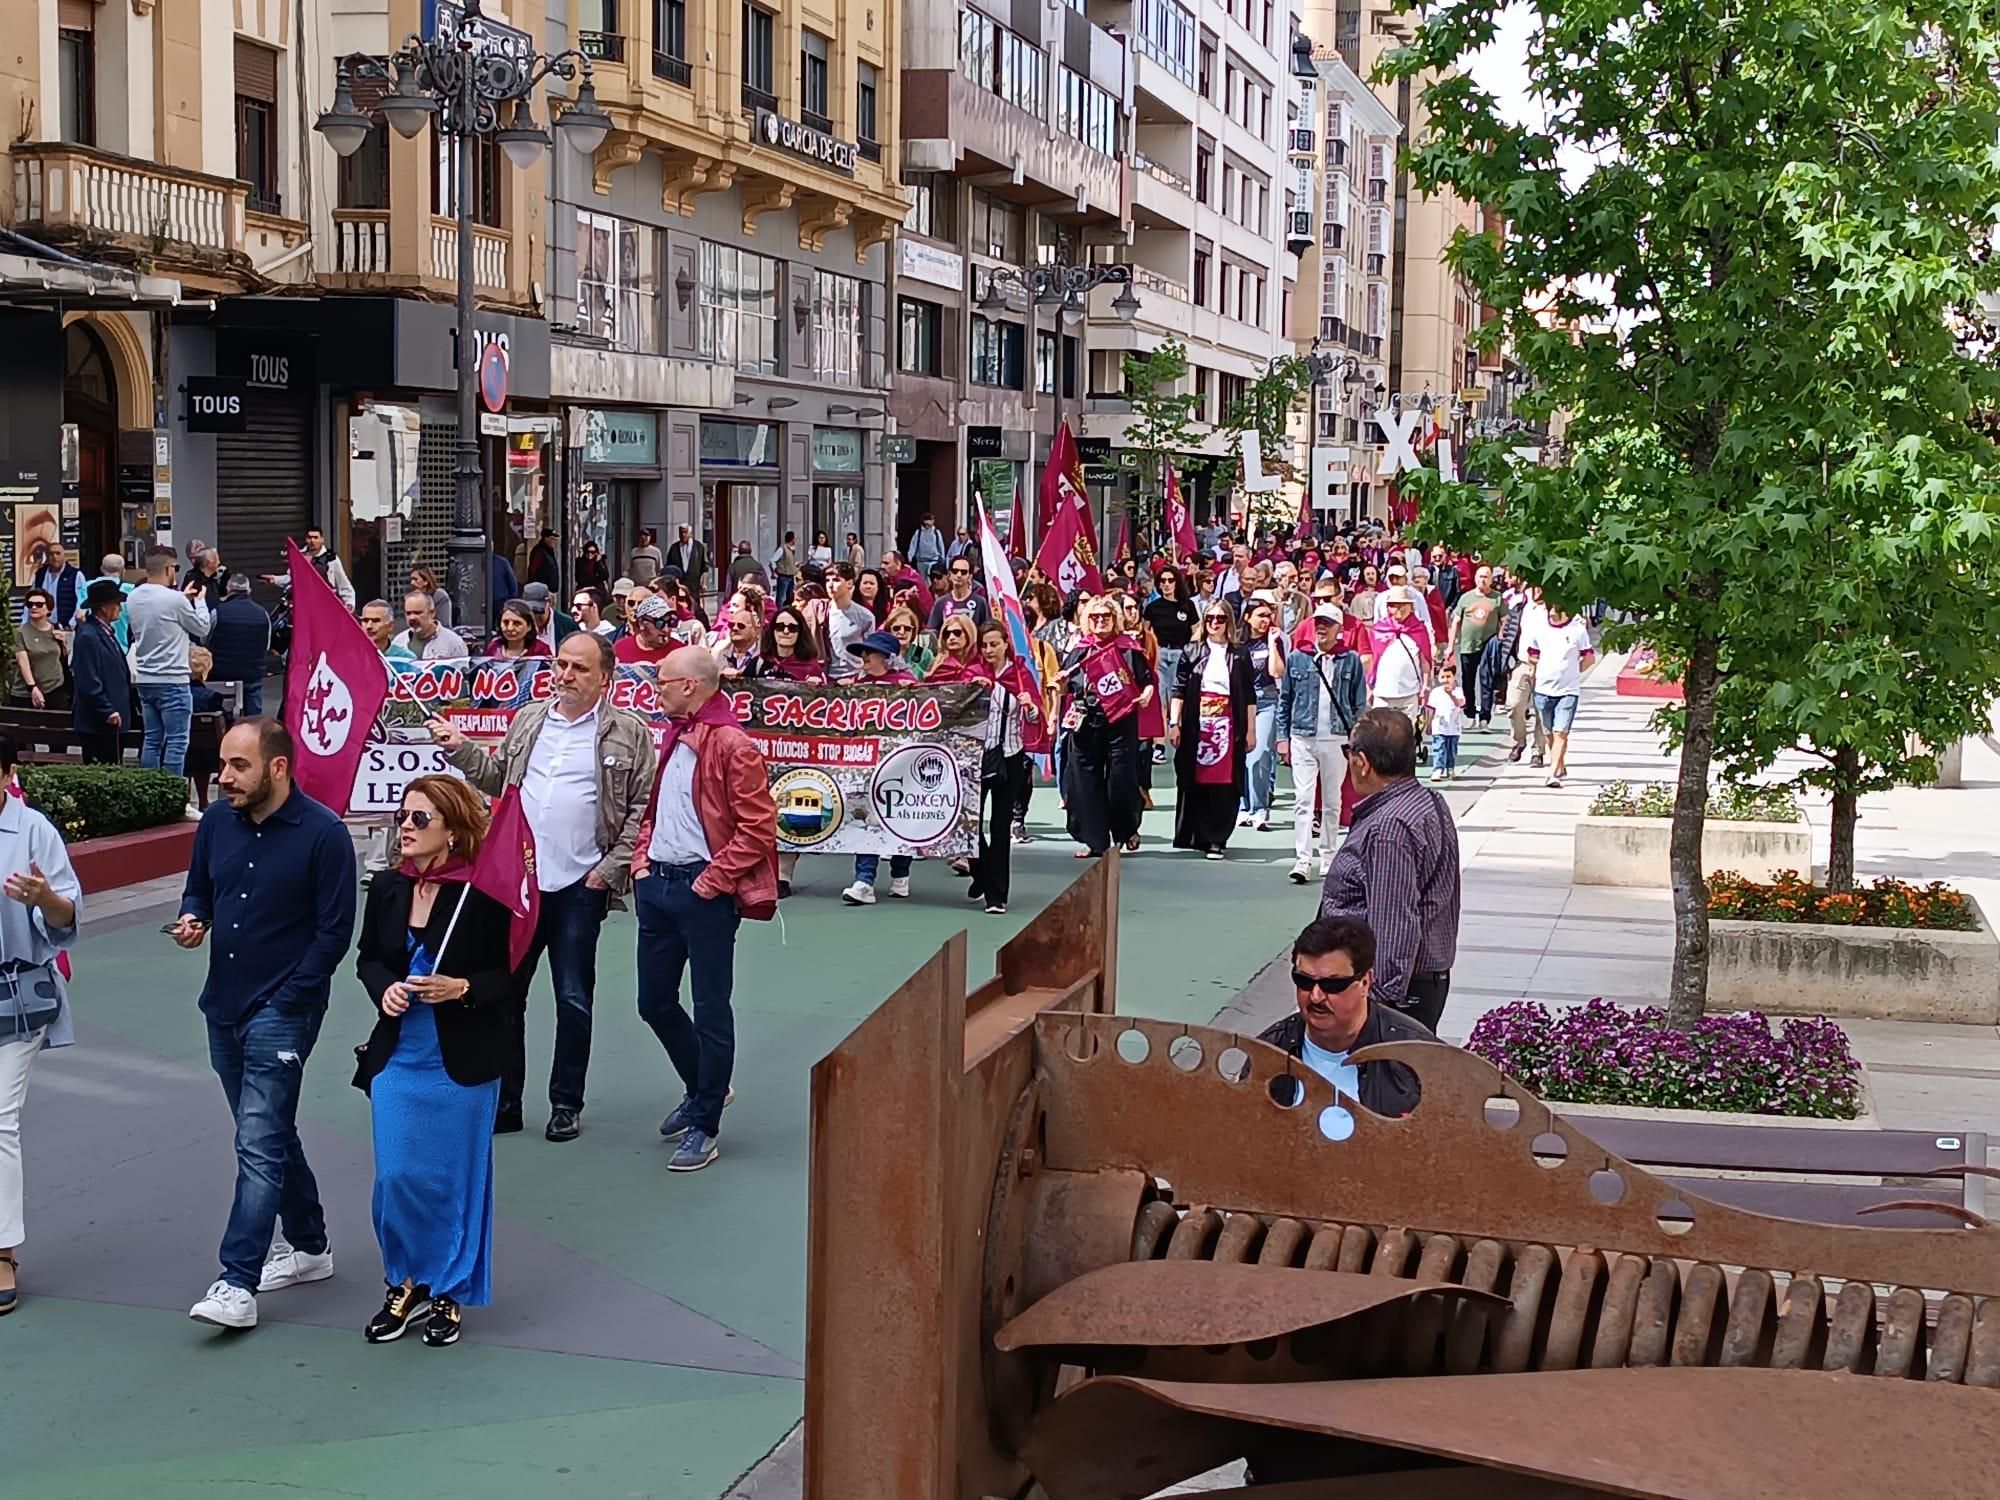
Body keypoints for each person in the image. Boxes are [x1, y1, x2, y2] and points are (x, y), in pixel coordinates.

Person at [426, 634, 654, 1142]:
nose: (566, 675)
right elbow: (496, 780)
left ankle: (565, 1102)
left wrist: (608, 871)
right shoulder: (529, 719)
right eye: (561, 664)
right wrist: (460, 749)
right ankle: (507, 1102)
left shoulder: (628, 733)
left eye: (579, 668)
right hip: (519, 881)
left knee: (573, 997)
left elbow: (641, 811)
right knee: (505, 995)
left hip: (580, 883)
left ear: (604, 678)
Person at [174, 719, 359, 1330]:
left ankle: (237, 1280)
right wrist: (193, 918)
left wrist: (292, 997)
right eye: (223, 765)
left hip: (283, 1011)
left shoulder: (324, 835)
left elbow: (334, 933)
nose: (223, 777)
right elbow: (199, 890)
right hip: (221, 1003)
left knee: (256, 1140)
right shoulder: (217, 824)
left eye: (237, 766)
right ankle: (310, 1246)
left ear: (277, 768)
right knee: (268, 1131)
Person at [352, 775, 522, 1346]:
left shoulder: (482, 891)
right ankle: (404, 1278)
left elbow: (510, 977)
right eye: (403, 816)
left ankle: (446, 1288)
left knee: (455, 1180)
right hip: (400, 1058)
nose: (406, 827)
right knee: (397, 1177)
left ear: (452, 831)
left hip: (463, 1061)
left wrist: (463, 988)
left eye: (420, 819)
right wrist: (386, 990)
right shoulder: (387, 887)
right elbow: (369, 958)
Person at [630, 647, 778, 1172]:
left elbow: (759, 827)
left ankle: (706, 1122)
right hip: (660, 888)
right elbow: (655, 809)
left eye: (664, 680)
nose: (656, 687)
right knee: (654, 1002)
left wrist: (712, 882)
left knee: (711, 1007)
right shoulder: (675, 737)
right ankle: (704, 1088)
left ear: (691, 686)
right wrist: (642, 861)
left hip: (701, 892)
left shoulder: (731, 744)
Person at [0, 732, 83, 1316]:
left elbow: (67, 916)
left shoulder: (34, 832)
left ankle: (2, 1250)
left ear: (6, 772)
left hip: (16, 997)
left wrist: (44, 897)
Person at [1319, 709, 1460, 1033]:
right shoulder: (1427, 801)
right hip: (1420, 982)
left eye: (1349, 753)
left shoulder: (1389, 829)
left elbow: (1394, 924)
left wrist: (1375, 1011)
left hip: (1391, 993)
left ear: (1363, 762)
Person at [1259, 915, 1434, 1126]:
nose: (1316, 996)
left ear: (1366, 982)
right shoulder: (1268, 1052)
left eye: (1333, 985)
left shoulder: (1416, 1058)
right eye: (1304, 981)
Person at [1277, 605, 1369, 883]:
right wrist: (1282, 737)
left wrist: (1356, 738)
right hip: (1302, 736)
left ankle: (1328, 856)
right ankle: (1302, 859)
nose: (1321, 628)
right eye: (1318, 623)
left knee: (1332, 800)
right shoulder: (1298, 658)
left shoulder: (1350, 660)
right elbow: (1286, 700)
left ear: (1339, 628)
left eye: (1327, 624)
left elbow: (1359, 703)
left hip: (1336, 738)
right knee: (1303, 799)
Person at [1060, 597, 1153, 859]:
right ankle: (1095, 840)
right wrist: (1058, 682)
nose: (1100, 621)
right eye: (1094, 617)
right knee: (1085, 780)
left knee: (1121, 780)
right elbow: (1067, 682)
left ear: (1115, 619)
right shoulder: (1080, 650)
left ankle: (1126, 830)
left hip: (1120, 719)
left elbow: (1146, 680)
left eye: (1105, 616)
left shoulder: (1127, 648)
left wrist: (1146, 695)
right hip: (1085, 719)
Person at [1170, 602, 1256, 859]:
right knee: (1195, 779)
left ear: (1228, 621)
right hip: (1198, 724)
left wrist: (1251, 730)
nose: (1215, 623)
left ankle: (1218, 837)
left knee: (1225, 783)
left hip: (1229, 725)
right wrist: (1174, 724)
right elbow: (1179, 690)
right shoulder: (1191, 651)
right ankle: (1199, 834)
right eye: (1210, 619)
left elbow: (1250, 695)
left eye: (1220, 618)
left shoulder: (1240, 654)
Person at [840, 631, 920, 903]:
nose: (863, 657)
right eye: (862, 652)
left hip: (900, 763)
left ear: (886, 658)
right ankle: (864, 881)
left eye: (869, 652)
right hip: (865, 764)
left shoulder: (907, 684)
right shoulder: (855, 684)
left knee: (901, 817)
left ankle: (901, 874)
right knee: (866, 818)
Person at [127, 545, 212, 776]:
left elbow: (161, 610)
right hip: (173, 678)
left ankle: (152, 790)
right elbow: (202, 627)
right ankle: (173, 793)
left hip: (145, 678)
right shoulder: (175, 599)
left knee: (152, 738)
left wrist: (182, 599)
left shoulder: (133, 597)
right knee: (177, 741)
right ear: (168, 568)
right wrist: (200, 602)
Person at [968, 623, 1033, 915]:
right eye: (985, 644)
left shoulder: (1019, 675)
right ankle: (982, 873)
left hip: (1010, 756)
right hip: (976, 757)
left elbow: (1035, 716)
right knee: (970, 822)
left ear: (1006, 644)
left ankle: (997, 895)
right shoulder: (973, 674)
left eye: (994, 644)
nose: (989, 650)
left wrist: (1029, 706)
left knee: (999, 826)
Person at [1527, 605, 1595, 788]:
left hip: (1568, 691)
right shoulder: (1540, 628)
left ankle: (1552, 774)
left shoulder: (1577, 630)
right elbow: (1532, 654)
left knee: (1561, 733)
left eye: (1556, 606)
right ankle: (1560, 764)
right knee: (1549, 732)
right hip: (1543, 689)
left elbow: (1589, 658)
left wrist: (1574, 671)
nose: (1552, 609)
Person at [69, 579, 129, 765]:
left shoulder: (106, 632)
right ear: (104, 608)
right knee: (101, 765)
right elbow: (88, 679)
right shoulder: (88, 635)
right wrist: (106, 709)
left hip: (112, 719)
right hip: (98, 721)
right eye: (116, 604)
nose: (120, 608)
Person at [1239, 597, 1286, 831]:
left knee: (1259, 755)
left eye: (1268, 615)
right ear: (1247, 618)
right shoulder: (1237, 644)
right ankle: (1243, 807)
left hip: (1266, 700)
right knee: (1240, 758)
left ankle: (1259, 810)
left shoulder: (1273, 642)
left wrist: (1272, 643)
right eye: (1261, 615)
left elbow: (1276, 672)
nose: (1266, 620)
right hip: (1239, 701)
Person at [206, 574, 272, 718]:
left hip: (221, 676)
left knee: (223, 716)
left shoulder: (218, 612)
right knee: (253, 720)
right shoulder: (262, 614)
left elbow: (206, 640)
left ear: (228, 589)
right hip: (252, 675)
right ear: (249, 590)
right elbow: (266, 646)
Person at [1448, 566, 1506, 729]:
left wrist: (1501, 635)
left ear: (1491, 579)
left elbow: (1506, 619)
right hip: (1468, 645)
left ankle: (1485, 717)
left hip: (1488, 645)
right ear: (1475, 578)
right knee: (1467, 681)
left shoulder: (1497, 598)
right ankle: (1470, 713)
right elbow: (1456, 622)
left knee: (1486, 681)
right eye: (1480, 576)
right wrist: (1451, 645)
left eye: (1486, 576)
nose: (1483, 580)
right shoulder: (1466, 598)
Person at [1369, 586, 1432, 723]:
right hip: (1382, 692)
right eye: (1394, 605)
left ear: (1411, 607)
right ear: (1388, 608)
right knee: (1381, 735)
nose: (1399, 609)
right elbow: (1372, 660)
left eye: (1403, 605)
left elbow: (1425, 660)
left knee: (1407, 734)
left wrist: (1425, 686)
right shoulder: (1379, 630)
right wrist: (1369, 687)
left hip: (1409, 692)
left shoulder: (1419, 629)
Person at [264, 528, 356, 611]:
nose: (312, 541)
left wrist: (349, 603)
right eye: (309, 537)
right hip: (304, 605)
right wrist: (274, 579)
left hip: (325, 605)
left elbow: (343, 584)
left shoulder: (331, 559)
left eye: (316, 537)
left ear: (322, 539)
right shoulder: (299, 556)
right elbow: (291, 578)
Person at [13, 588, 69, 711]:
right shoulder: (21, 632)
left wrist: (64, 643)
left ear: (48, 608)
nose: (34, 607)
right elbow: (23, 663)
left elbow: (62, 657)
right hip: (27, 691)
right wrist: (32, 687)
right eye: (30, 604)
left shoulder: (56, 628)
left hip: (55, 687)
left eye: (38, 604)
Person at [821, 564, 876, 681]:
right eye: (827, 580)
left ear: (849, 583)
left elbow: (871, 654)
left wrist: (857, 678)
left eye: (836, 580)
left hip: (852, 677)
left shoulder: (865, 616)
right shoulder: (820, 610)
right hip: (824, 677)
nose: (830, 585)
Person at [26, 541, 83, 628]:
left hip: (67, 626)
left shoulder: (75, 575)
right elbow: (31, 598)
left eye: (58, 553)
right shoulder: (41, 574)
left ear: (64, 555)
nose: (54, 557)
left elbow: (81, 600)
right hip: (43, 625)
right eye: (51, 554)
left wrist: (72, 623)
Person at [927, 553, 991, 631]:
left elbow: (986, 632)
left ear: (970, 576)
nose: (959, 575)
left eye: (963, 572)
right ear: (949, 574)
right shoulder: (940, 603)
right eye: (955, 571)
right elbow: (931, 632)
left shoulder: (980, 602)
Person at [1427, 663, 1466, 782]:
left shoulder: (1458, 691)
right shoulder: (1435, 692)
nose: (1445, 680)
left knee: (1451, 749)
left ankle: (1450, 768)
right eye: (1442, 677)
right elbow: (1431, 709)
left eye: (1448, 676)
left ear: (1454, 677)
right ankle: (1438, 769)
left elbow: (1460, 703)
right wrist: (1428, 724)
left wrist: (1451, 694)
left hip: (1454, 727)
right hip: (1439, 726)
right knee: (1439, 747)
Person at [924, 615, 989, 684]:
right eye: (947, 634)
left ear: (968, 634)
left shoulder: (982, 662)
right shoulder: (938, 666)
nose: (951, 638)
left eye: (957, 633)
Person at [615, 594, 677, 665]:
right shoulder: (620, 648)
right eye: (660, 623)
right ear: (641, 623)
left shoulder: (679, 651)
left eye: (670, 622)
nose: (666, 630)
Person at [518, 581, 578, 651]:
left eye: (538, 611)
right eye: (530, 612)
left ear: (549, 602)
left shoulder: (567, 625)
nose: (535, 617)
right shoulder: (518, 625)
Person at [484, 600, 549, 660]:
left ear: (529, 626)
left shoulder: (541, 651)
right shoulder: (493, 648)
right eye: (506, 622)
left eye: (517, 624)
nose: (510, 628)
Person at [713, 601, 763, 679]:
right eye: (731, 625)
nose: (735, 628)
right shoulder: (721, 654)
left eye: (741, 625)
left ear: (755, 631)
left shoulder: (764, 656)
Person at [182, 543, 232, 612]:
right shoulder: (194, 582)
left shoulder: (212, 579)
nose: (219, 563)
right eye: (217, 560)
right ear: (209, 563)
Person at [666, 525, 709, 594]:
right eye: (681, 533)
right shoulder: (674, 548)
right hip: (678, 585)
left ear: (690, 533)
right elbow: (669, 567)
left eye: (685, 532)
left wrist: (704, 583)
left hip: (694, 585)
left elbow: (705, 568)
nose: (683, 535)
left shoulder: (699, 547)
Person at [410, 565, 455, 631]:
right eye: (411, 579)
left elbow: (444, 624)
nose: (412, 583)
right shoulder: (413, 598)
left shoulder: (439, 595)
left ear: (426, 581)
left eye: (415, 579)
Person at [526, 528, 562, 592]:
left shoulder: (549, 552)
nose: (554, 542)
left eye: (555, 540)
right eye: (552, 539)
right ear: (545, 538)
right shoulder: (539, 551)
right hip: (540, 590)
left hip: (548, 590)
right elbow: (533, 570)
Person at [770, 530, 800, 605]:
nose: (795, 540)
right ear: (792, 539)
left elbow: (790, 561)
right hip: (783, 576)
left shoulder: (792, 550)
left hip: (791, 576)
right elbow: (772, 560)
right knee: (781, 597)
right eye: (795, 538)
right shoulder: (782, 549)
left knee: (790, 596)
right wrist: (774, 572)